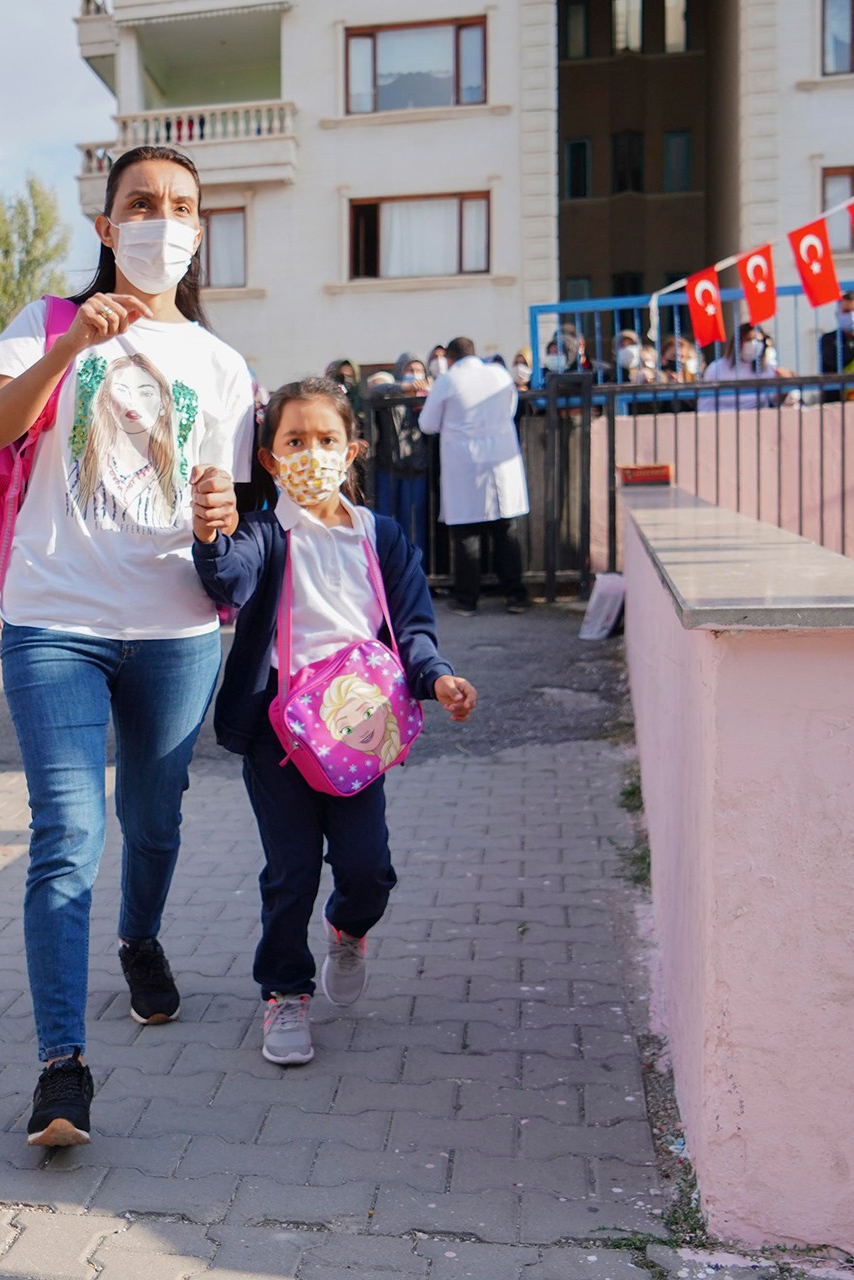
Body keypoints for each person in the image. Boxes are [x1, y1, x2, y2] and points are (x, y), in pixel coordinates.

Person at [0, 144, 253, 1147]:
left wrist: (223, 509)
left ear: (199, 229)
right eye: (141, 203)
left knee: (155, 817)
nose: (161, 221)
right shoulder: (48, 323)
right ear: (105, 225)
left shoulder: (223, 366)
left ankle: (138, 936)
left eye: (180, 206)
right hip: (56, 617)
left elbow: (225, 508)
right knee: (67, 831)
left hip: (177, 626)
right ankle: (61, 1065)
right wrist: (63, 352)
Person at [190, 377, 476, 1065]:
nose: (311, 454)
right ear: (269, 458)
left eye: (325, 441)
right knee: (289, 871)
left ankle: (348, 932)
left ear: (353, 451)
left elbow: (411, 626)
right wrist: (208, 535)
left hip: (357, 730)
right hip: (277, 732)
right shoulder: (265, 531)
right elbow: (228, 582)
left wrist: (437, 679)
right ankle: (284, 995)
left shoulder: (380, 537)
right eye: (294, 441)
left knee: (367, 868)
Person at [418, 336, 530, 616]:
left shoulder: (447, 381)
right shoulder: (499, 374)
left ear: (451, 359)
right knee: (506, 530)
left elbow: (428, 424)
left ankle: (467, 599)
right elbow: (510, 409)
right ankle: (515, 595)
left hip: (465, 464)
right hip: (502, 461)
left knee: (467, 534)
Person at [365, 353, 430, 551]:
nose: (415, 375)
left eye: (419, 370)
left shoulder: (428, 399)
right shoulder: (390, 395)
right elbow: (375, 391)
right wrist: (404, 388)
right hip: (389, 470)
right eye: (410, 370)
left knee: (415, 527)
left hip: (416, 471)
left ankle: (419, 574)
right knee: (387, 524)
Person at [700, 321, 790, 411]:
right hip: (723, 421)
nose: (754, 344)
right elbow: (705, 405)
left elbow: (774, 401)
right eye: (749, 340)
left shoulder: (766, 369)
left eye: (758, 341)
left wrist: (784, 386)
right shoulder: (716, 369)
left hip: (757, 420)